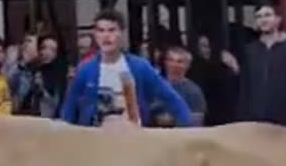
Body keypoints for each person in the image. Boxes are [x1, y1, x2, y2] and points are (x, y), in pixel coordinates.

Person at [59, 10, 192, 128]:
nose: (106, 36)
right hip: (96, 141)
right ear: (95, 35)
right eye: (101, 30)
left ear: (121, 33)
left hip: (132, 139)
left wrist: (187, 130)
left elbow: (171, 98)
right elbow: (69, 107)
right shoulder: (85, 69)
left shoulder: (139, 67)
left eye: (112, 30)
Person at [237, 5, 286, 127]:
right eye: (259, 16)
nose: (263, 20)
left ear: (278, 19)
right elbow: (245, 85)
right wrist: (244, 117)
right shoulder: (250, 51)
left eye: (267, 15)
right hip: (256, 119)